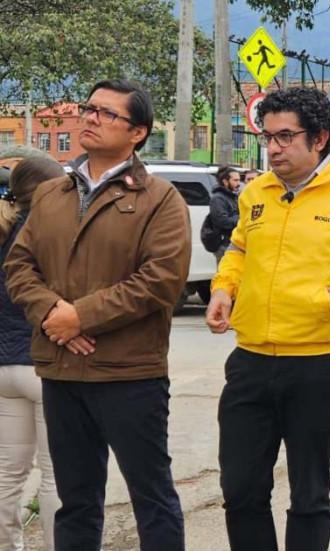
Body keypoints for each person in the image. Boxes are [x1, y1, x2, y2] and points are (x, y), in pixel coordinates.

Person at [206, 87, 330, 551]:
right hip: (251, 359)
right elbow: (239, 249)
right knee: (240, 489)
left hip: (320, 362)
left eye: (285, 137)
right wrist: (223, 288)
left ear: (319, 139)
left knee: (309, 493)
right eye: (268, 137)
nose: (273, 148)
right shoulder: (256, 192)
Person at [4, 78, 191, 550]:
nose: (91, 118)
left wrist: (81, 317)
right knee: (76, 501)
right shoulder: (52, 194)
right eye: (90, 109)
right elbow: (19, 266)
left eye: (108, 113)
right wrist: (54, 316)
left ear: (138, 133)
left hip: (130, 374)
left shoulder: (160, 199)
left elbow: (161, 279)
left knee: (151, 497)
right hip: (61, 370)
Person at [0, 153, 65, 551]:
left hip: (4, 367)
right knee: (58, 475)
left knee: (7, 474)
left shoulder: (5, 227)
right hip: (44, 366)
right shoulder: (47, 233)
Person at [209, 166, 242, 261]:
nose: (238, 183)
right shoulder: (218, 198)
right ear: (225, 182)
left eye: (239, 180)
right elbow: (223, 221)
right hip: (224, 245)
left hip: (233, 242)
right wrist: (242, 218)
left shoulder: (233, 196)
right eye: (235, 180)